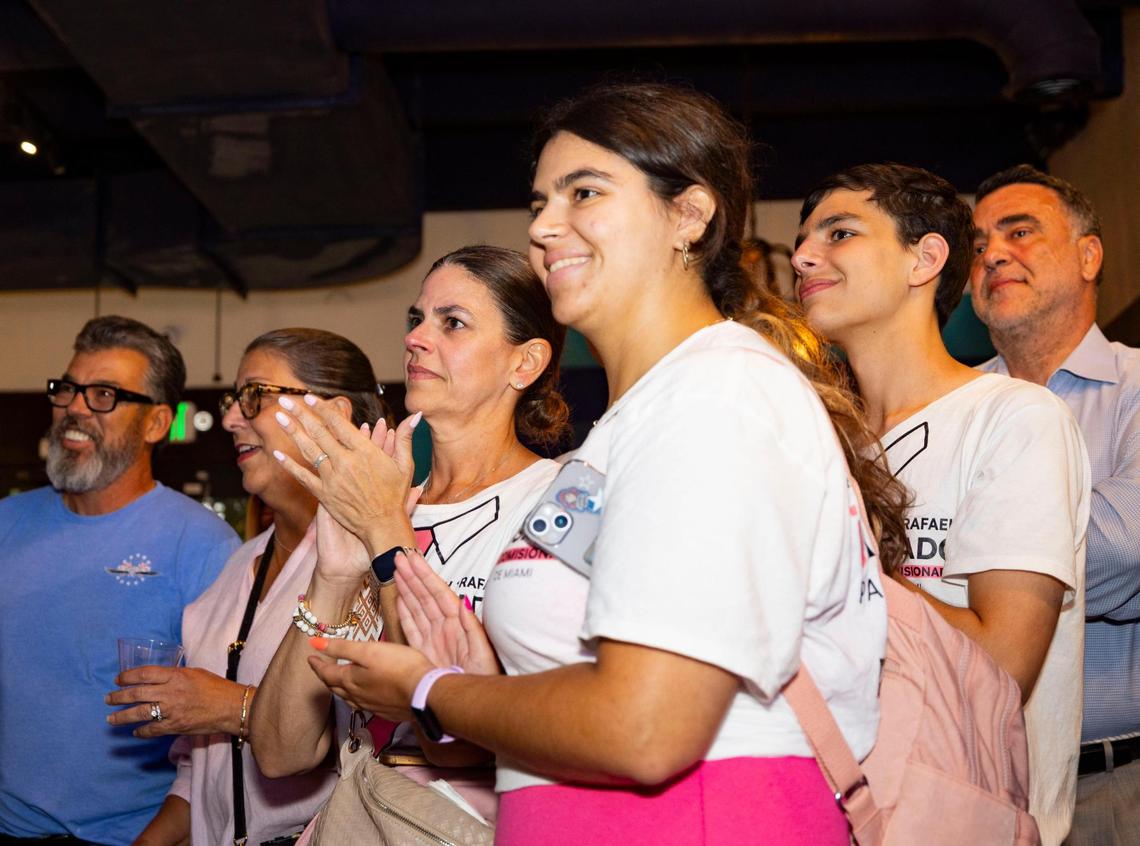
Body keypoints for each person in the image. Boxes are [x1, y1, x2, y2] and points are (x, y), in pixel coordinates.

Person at [282, 82, 909, 845]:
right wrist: (472, 673)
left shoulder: (716, 398)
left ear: (689, 214)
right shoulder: (636, 423)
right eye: (541, 200)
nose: (545, 226)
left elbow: (646, 728)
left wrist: (432, 688)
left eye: (584, 192)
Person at [791, 162, 1091, 845]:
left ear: (925, 258)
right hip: (820, 813)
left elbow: (1002, 662)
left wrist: (845, 567)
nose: (804, 256)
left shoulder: (1014, 418)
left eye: (839, 233)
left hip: (962, 816)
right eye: (804, 239)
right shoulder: (814, 440)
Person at [251, 246, 570, 823]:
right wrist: (333, 575)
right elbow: (280, 753)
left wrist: (382, 530)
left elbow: (446, 741)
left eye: (452, 322)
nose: (417, 338)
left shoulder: (551, 506)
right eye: (416, 319)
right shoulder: (385, 499)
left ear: (524, 363)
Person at [104, 329, 389, 845]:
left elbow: (380, 740)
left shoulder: (376, 564)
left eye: (255, 396)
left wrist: (231, 706)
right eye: (235, 399)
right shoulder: (238, 566)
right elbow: (201, 773)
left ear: (335, 415)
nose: (233, 418)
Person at [0, 316, 239, 846]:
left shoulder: (205, 546)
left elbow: (221, 731)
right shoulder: (5, 525)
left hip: (134, 837)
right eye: (68, 389)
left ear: (156, 424)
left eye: (104, 394)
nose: (75, 408)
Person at [970, 164, 1140, 846]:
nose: (992, 254)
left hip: (1118, 787)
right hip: (981, 785)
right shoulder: (950, 406)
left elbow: (1125, 549)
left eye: (1020, 232)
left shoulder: (1135, 388)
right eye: (978, 243)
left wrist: (965, 549)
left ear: (1088, 254)